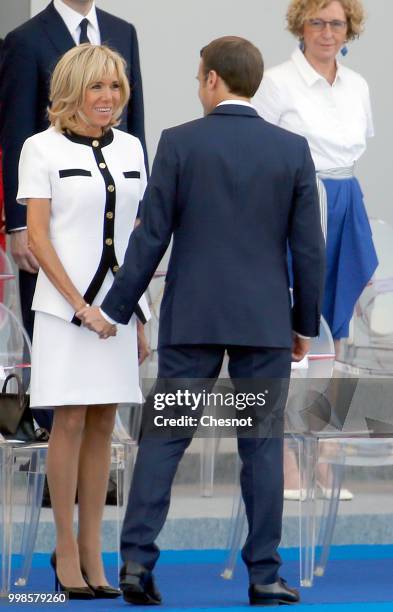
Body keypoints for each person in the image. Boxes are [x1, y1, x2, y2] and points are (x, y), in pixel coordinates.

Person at [79, 36, 325, 607]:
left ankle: (137, 564)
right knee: (261, 446)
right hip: (264, 323)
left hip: (191, 317)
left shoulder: (180, 143)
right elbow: (308, 249)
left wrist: (115, 310)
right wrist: (303, 323)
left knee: (164, 439)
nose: (197, 87)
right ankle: (264, 576)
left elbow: (150, 237)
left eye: (198, 78)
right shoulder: (291, 150)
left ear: (213, 79)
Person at [17, 44, 149, 599]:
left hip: (118, 313)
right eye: (97, 87)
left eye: (115, 87)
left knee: (104, 425)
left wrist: (137, 314)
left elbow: (141, 236)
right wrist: (79, 306)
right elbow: (38, 238)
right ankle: (64, 547)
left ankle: (96, 549)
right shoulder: (39, 148)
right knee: (68, 422)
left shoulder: (133, 146)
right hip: (65, 312)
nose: (108, 98)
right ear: (72, 89)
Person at [0, 1, 147, 432]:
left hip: (111, 209)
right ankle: (49, 447)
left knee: (105, 386)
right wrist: (19, 223)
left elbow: (133, 125)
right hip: (50, 213)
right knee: (57, 356)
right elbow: (15, 131)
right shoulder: (24, 40)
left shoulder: (124, 30)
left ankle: (97, 478)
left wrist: (137, 208)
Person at [253, 0, 377, 500]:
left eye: (337, 23)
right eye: (317, 22)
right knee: (291, 331)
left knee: (338, 331)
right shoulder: (278, 81)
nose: (327, 32)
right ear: (300, 26)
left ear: (349, 29)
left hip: (345, 201)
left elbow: (354, 149)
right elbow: (258, 152)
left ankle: (323, 453)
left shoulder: (358, 84)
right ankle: (285, 460)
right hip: (296, 203)